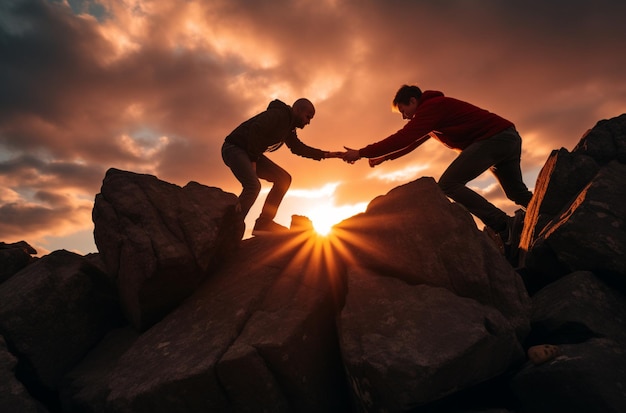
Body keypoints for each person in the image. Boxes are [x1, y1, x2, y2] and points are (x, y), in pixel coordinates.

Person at [343, 85, 533, 252]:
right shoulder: (435, 111)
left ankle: (502, 223)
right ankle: (549, 211)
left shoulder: (432, 108)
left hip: (494, 139)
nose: (404, 117)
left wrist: (361, 153)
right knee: (516, 193)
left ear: (413, 100)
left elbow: (404, 137)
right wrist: (384, 157)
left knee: (448, 184)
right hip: (507, 137)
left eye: (404, 110)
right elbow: (413, 143)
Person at [222, 98, 344, 235]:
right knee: (253, 186)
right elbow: (256, 129)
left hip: (250, 152)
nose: (308, 122)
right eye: (307, 117)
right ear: (297, 110)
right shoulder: (279, 115)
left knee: (283, 179)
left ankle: (263, 223)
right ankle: (232, 229)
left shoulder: (289, 128)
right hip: (234, 148)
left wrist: (328, 154)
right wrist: (253, 159)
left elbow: (298, 148)